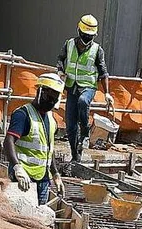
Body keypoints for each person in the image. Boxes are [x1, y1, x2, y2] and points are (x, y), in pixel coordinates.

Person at [57, 14, 113, 162]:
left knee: (83, 102)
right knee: (70, 126)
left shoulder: (97, 50)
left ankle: (85, 133)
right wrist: (60, 71)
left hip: (88, 87)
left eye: (89, 35)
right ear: (79, 31)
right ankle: (76, 154)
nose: (86, 38)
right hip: (71, 87)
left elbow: (103, 72)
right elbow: (61, 59)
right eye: (84, 34)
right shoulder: (69, 44)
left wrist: (107, 93)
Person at [3, 73, 65, 205]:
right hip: (24, 178)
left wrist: (55, 174)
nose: (51, 102)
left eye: (55, 99)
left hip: (43, 179)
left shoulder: (51, 119)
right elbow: (8, 141)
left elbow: (49, 150)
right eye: (49, 97)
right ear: (40, 91)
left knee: (39, 216)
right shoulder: (23, 114)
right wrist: (17, 168)